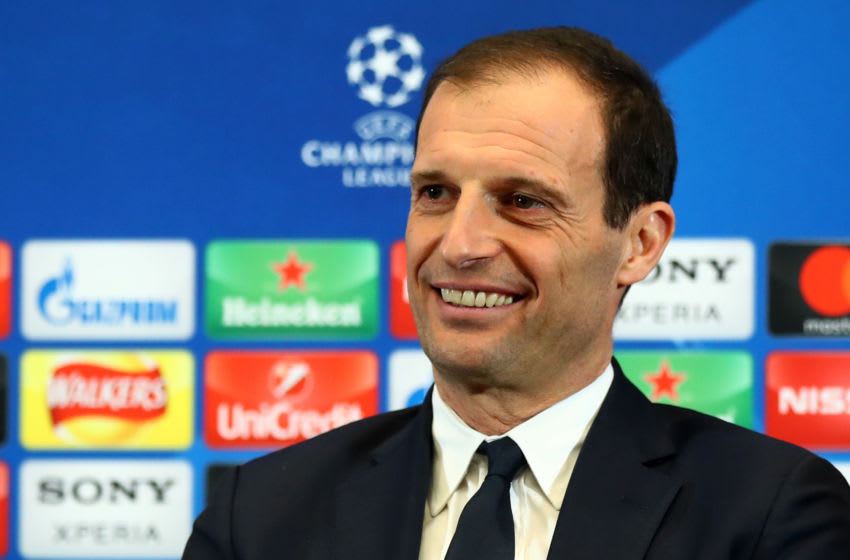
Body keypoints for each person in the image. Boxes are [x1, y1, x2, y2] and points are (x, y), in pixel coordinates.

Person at [183, 27, 850, 559]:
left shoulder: (772, 515)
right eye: (435, 194)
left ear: (640, 242)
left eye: (523, 201)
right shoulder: (260, 516)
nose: (459, 244)